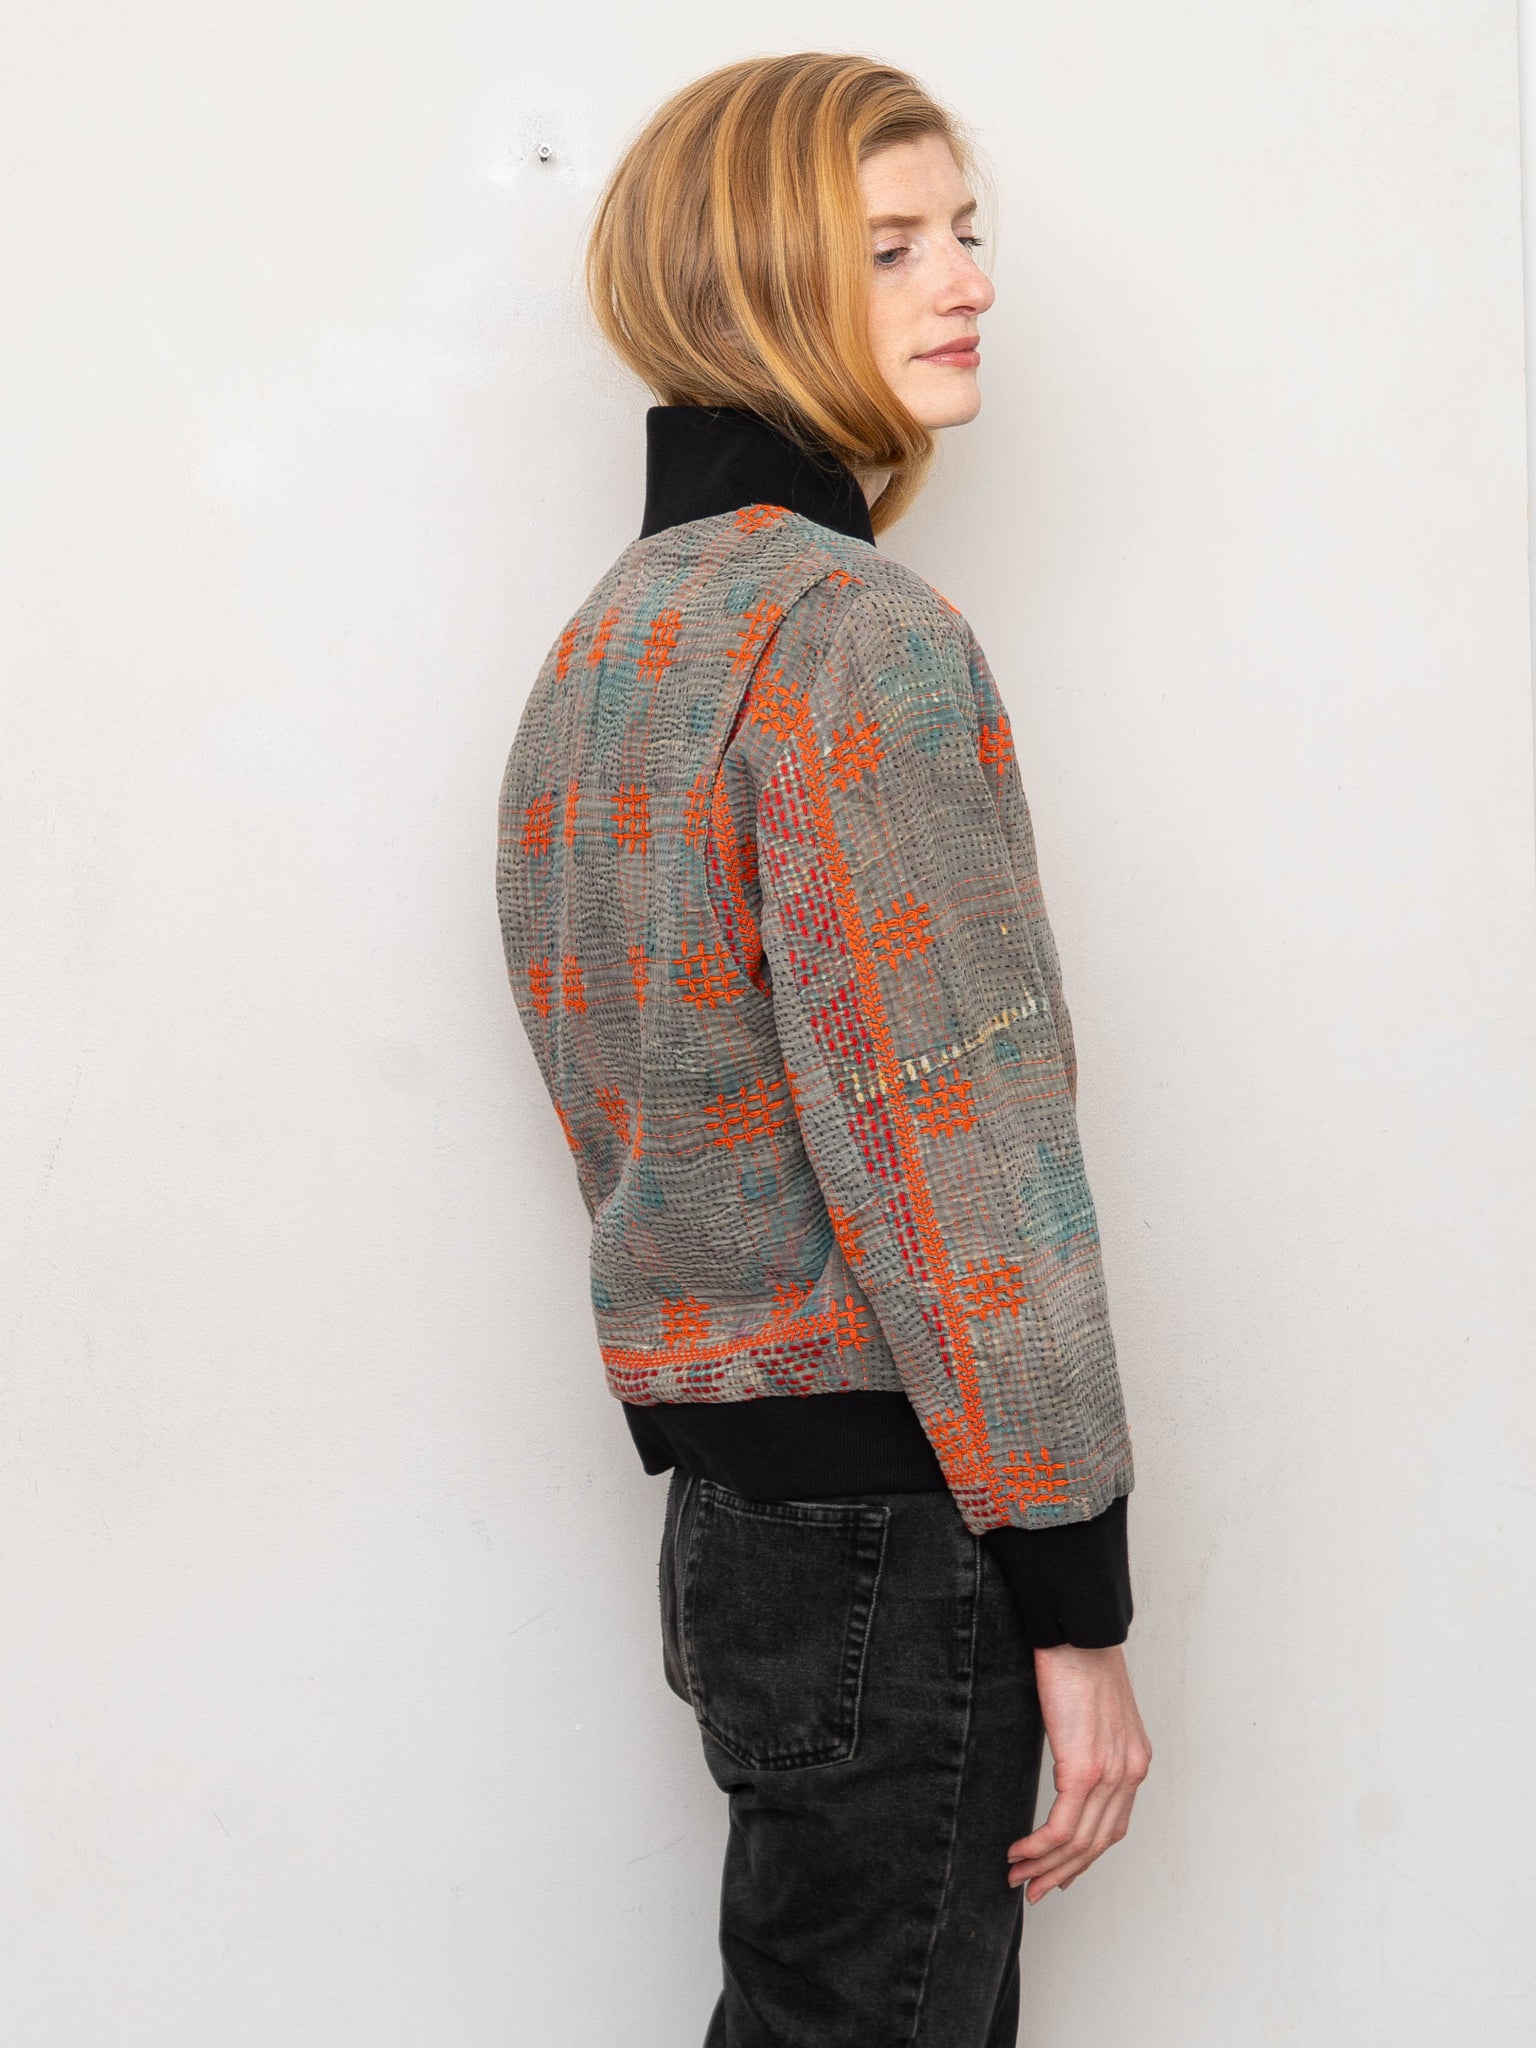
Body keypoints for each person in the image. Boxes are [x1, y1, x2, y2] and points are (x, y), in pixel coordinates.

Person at [496, 51, 1152, 2046]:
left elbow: (630, 1106)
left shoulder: (609, 645)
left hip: (737, 1526)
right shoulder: (856, 635)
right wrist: (1077, 1599)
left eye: (965, 232)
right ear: (755, 277)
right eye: (890, 246)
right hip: (903, 1525)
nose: (966, 281)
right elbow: (964, 1154)